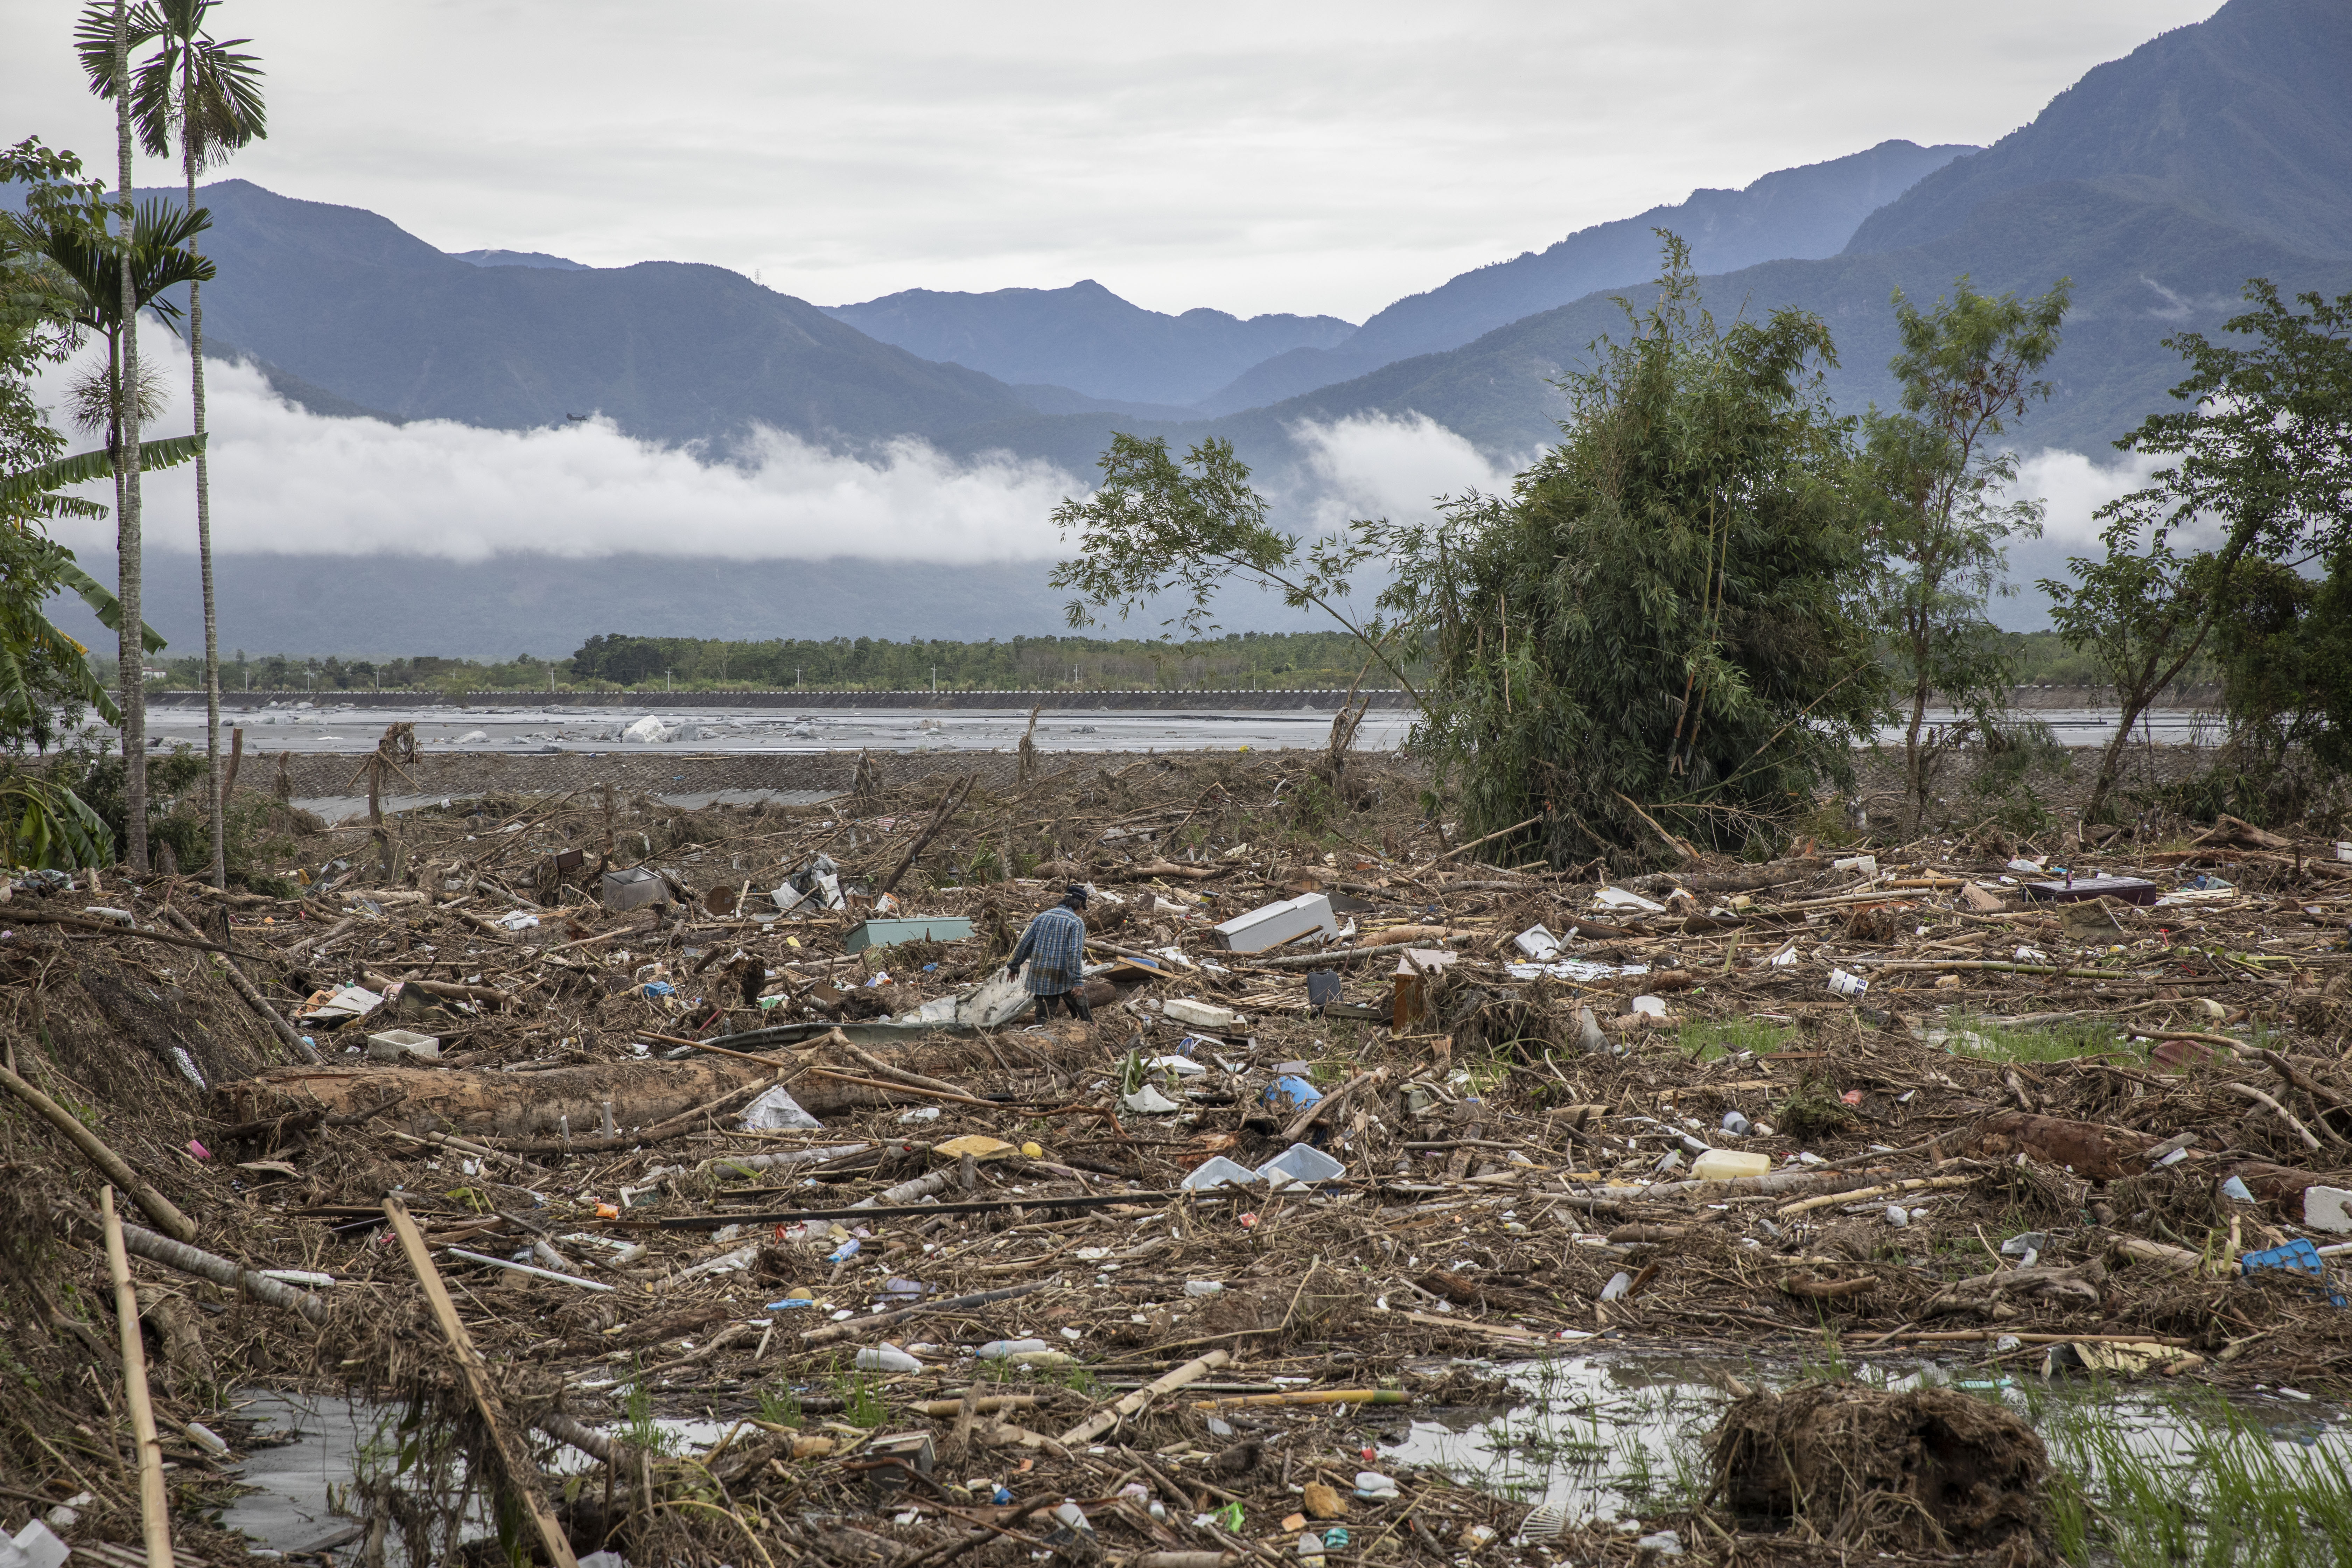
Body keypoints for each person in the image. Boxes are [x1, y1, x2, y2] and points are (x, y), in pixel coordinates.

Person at [1006, 883, 1091, 1022]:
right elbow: (1074, 953)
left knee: (1043, 1018)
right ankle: (1089, 1029)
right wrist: (1077, 981)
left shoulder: (1042, 917)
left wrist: (1015, 966)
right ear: (1080, 904)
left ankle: (1039, 1038)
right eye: (1082, 908)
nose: (1081, 912)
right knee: (1082, 1011)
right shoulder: (1076, 922)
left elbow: (1025, 944)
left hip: (1042, 977)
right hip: (1064, 977)